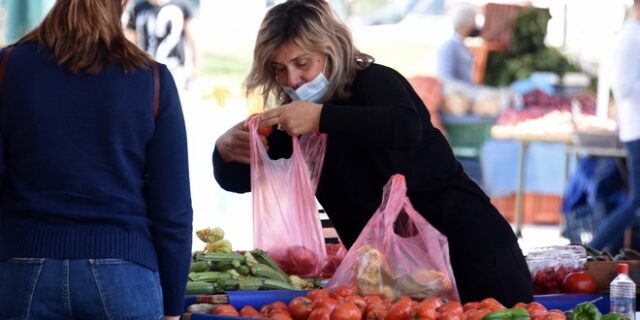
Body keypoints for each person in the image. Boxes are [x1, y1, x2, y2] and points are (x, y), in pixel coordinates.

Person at [213, 0, 532, 306]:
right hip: (403, 280)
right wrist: (225, 150)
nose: (292, 80)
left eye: (302, 64)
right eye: (279, 69)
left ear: (330, 50)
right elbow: (243, 178)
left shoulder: (374, 82)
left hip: (473, 253)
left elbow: (405, 127)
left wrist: (321, 117)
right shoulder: (296, 121)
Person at [0, 0, 192, 319]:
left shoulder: (7, 68)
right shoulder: (152, 79)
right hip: (125, 273)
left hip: (22, 267)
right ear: (124, 4)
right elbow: (173, 209)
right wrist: (173, 305)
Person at [589, 0, 640, 251]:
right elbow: (624, 88)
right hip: (636, 130)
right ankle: (593, 249)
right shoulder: (629, 38)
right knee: (637, 203)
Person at [126, 0, 197, 91]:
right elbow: (131, 42)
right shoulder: (138, 8)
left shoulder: (181, 5)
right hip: (146, 70)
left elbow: (193, 40)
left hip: (175, 71)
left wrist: (195, 71)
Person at [436, 5, 479, 85]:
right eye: (473, 22)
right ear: (465, 24)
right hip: (458, 94)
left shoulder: (462, 46)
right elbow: (445, 80)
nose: (475, 26)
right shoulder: (449, 47)